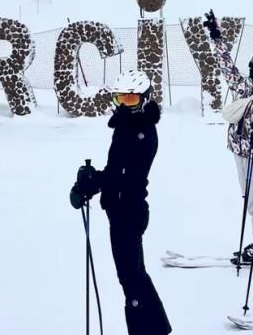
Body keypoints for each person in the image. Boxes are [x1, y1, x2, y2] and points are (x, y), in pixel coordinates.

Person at [69, 70, 171, 335]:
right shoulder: (128, 126)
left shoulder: (141, 133)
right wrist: (94, 181)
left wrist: (94, 183)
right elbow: (116, 169)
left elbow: (124, 176)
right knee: (134, 274)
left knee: (131, 278)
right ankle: (156, 329)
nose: (125, 105)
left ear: (145, 99)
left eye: (131, 100)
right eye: (121, 99)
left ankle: (146, 330)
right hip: (121, 208)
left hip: (130, 210)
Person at [202, 10, 253, 264]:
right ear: (251, 70)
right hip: (238, 150)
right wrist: (216, 37)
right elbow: (225, 65)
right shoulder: (242, 86)